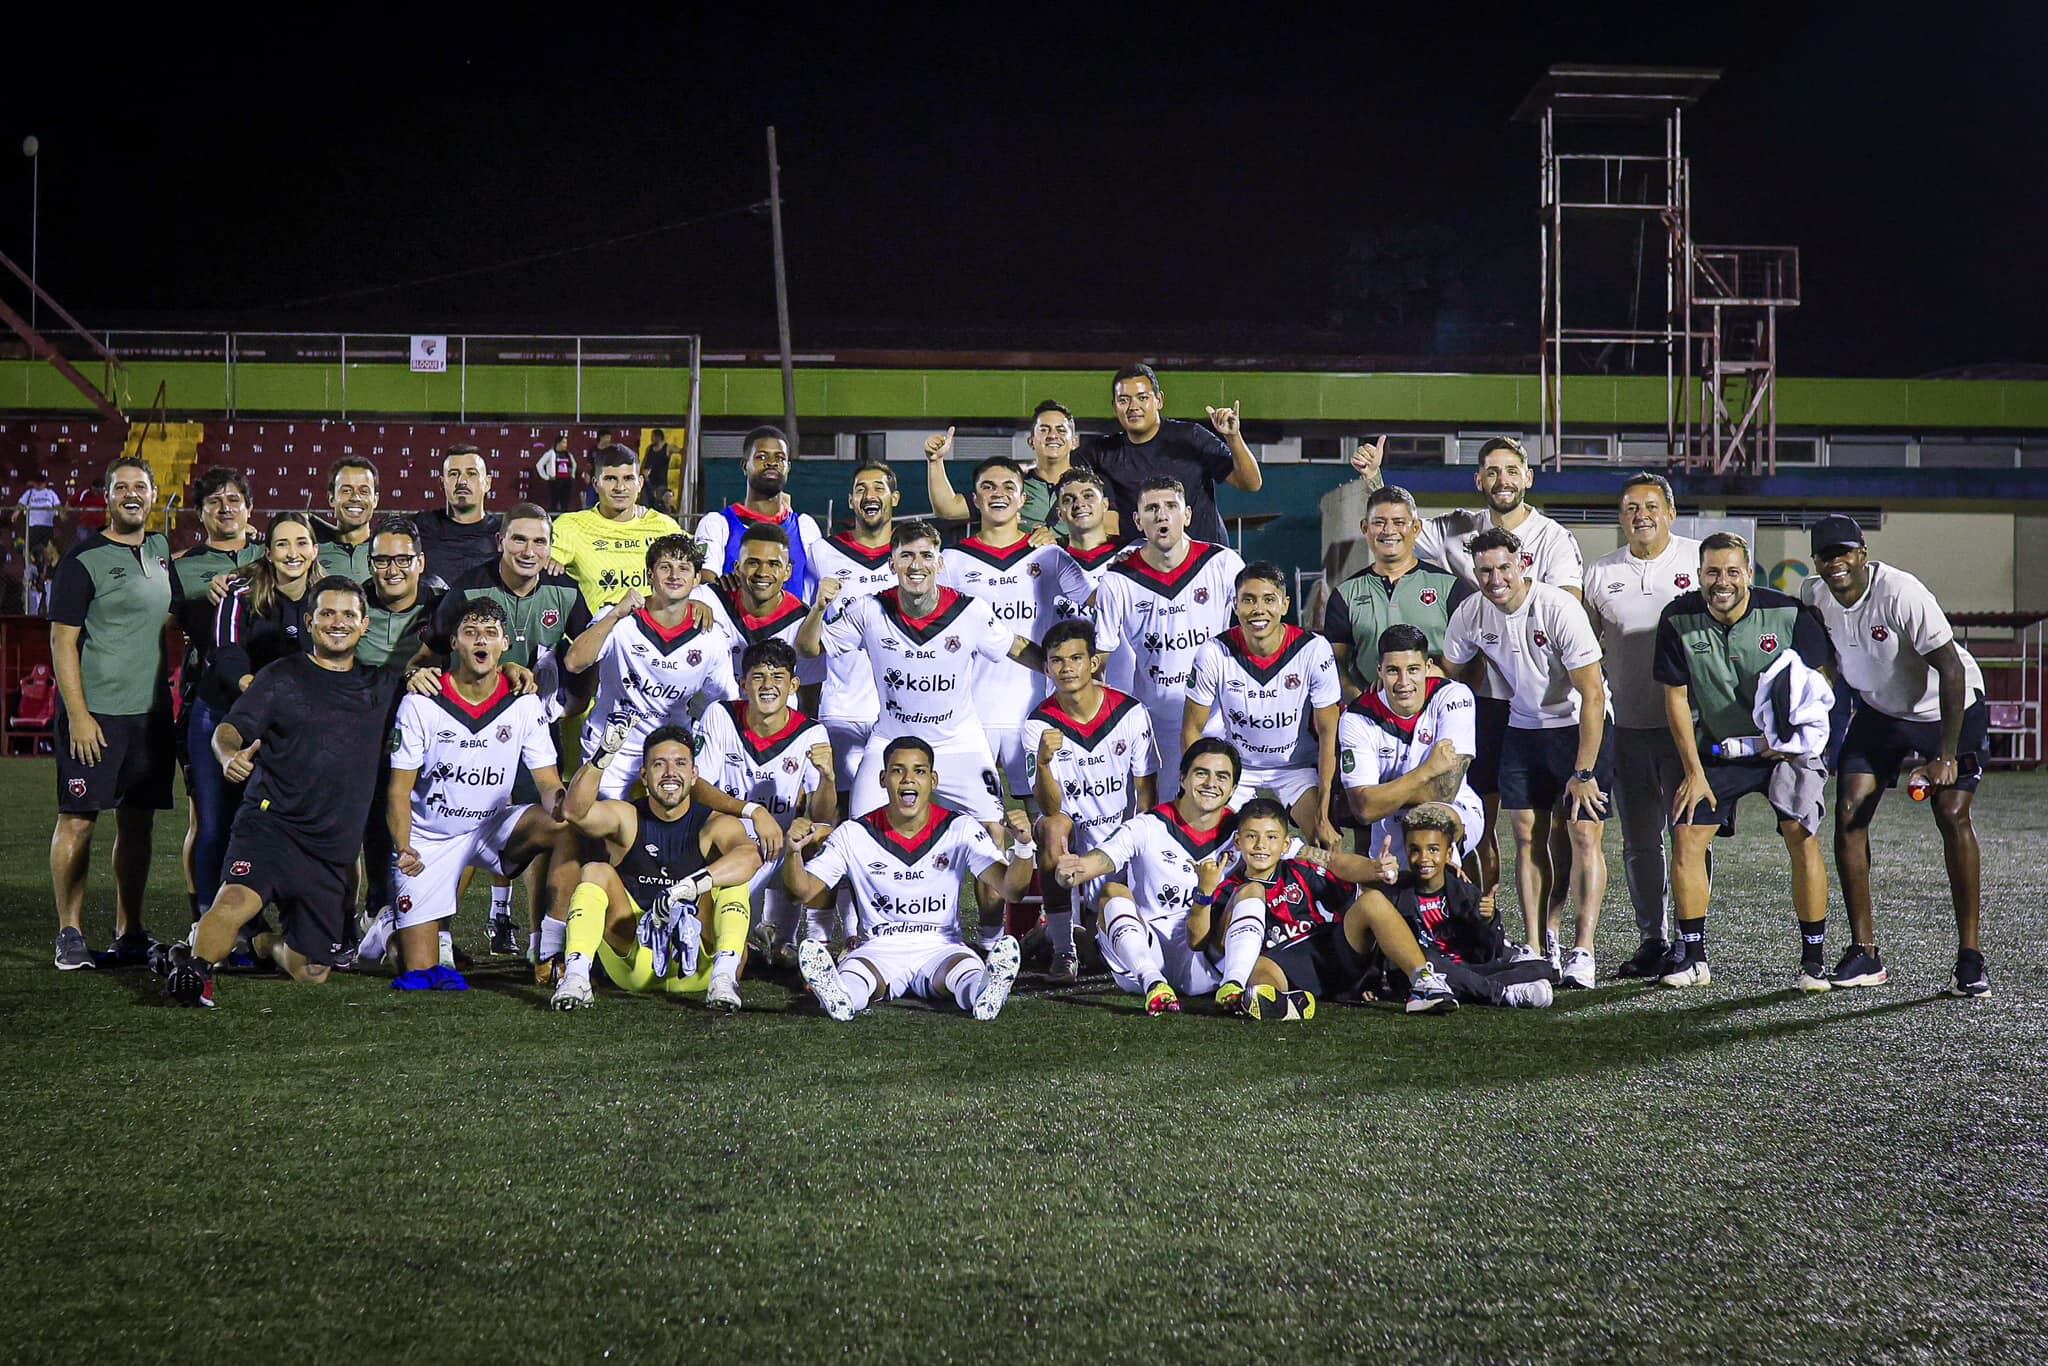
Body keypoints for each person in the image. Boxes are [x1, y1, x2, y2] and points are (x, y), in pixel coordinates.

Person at [162, 577, 406, 1006]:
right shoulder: (281, 677)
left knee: (313, 971)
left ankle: (262, 944)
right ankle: (193, 970)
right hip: (271, 828)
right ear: (309, 622)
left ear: (364, 625)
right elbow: (228, 730)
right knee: (235, 899)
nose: (338, 623)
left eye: (349, 614)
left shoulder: (382, 686)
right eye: (327, 614)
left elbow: (449, 688)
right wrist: (227, 755)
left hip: (329, 851)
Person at [1803, 515, 1989, 995]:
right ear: (1816, 562)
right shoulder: (1814, 595)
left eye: (1844, 552)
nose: (1835, 562)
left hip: (1947, 708)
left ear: (1863, 552)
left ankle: (1970, 958)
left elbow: (1950, 668)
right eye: (1825, 555)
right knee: (1849, 814)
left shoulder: (1901, 592)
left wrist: (1945, 756)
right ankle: (1865, 954)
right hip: (1880, 712)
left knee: (1951, 813)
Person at [365, 597, 582, 989]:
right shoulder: (421, 702)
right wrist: (403, 846)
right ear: (455, 644)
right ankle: (389, 928)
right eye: (471, 633)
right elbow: (399, 790)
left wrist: (561, 804)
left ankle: (550, 945)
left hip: (492, 827)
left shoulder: (523, 702)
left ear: (504, 645)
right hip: (432, 838)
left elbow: (548, 782)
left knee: (566, 829)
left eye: (490, 634)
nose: (481, 641)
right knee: (417, 970)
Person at [1410, 436, 1586, 908]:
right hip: (1485, 701)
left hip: (1547, 702)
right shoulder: (1459, 530)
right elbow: (1400, 527)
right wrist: (1374, 478)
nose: (1502, 480)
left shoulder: (1553, 538)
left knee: (1551, 824)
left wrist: (1514, 641)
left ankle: (1550, 924)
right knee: (1477, 814)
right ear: (1478, 479)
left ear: (1528, 477)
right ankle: (1484, 915)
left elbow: (1569, 605)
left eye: (1511, 470)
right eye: (1492, 471)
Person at [1655, 532, 1835, 991]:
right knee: (1688, 836)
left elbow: (1819, 684)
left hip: (1784, 749)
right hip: (1718, 749)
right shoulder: (1677, 617)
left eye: (1732, 571)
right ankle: (1693, 957)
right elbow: (1675, 699)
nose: (1722, 581)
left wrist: (1790, 738)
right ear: (1698, 576)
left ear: (1748, 574)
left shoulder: (1789, 613)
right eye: (1713, 572)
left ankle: (1813, 961)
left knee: (1802, 833)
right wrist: (1694, 772)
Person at [796, 520, 1043, 838]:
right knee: (859, 832)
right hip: (890, 741)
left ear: (939, 563)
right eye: (907, 555)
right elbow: (808, 649)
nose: (917, 565)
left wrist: (1062, 674)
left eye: (926, 556)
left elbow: (1017, 647)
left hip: (959, 741)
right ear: (892, 563)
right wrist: (818, 609)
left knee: (994, 833)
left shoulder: (969, 611)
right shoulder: (869, 610)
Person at [1442, 528, 1611, 988]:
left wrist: (1584, 771)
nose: (1495, 579)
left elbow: (1593, 694)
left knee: (1581, 833)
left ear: (1524, 563)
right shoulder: (1472, 612)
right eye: (1484, 571)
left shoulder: (1558, 609)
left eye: (1502, 568)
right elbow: (1447, 676)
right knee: (1524, 835)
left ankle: (1583, 951)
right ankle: (1538, 946)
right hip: (1523, 724)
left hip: (1579, 725)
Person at [429, 504, 594, 963]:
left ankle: (545, 943)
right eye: (518, 540)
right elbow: (435, 652)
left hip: (534, 732)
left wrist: (576, 700)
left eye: (539, 541)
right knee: (461, 827)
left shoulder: (564, 589)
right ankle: (438, 934)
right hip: (471, 730)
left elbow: (584, 653)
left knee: (549, 827)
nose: (529, 550)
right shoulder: (469, 587)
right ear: (500, 541)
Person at [783, 736, 1032, 1022]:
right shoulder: (854, 833)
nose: (908, 779)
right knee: (856, 976)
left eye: (919, 771)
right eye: (898, 770)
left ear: (933, 780)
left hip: (940, 947)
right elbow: (802, 891)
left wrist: (1024, 847)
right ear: (882, 779)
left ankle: (985, 992)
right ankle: (840, 995)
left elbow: (1012, 890)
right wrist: (792, 853)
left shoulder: (960, 828)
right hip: (877, 948)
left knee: (966, 972)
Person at [48, 456, 179, 971]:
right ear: (107, 497)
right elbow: (62, 641)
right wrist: (78, 715)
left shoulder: (161, 550)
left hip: (149, 716)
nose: (131, 494)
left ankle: (129, 931)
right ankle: (70, 932)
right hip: (96, 716)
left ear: (152, 496)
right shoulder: (83, 561)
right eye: (121, 486)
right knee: (78, 821)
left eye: (140, 487)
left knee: (138, 824)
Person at [549, 724, 764, 1012]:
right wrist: (603, 756)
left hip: (701, 965)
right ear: (644, 776)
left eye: (680, 763)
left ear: (694, 775)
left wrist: (692, 886)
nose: (670, 772)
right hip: (635, 959)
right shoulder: (627, 817)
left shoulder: (714, 823)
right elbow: (574, 812)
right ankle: (576, 978)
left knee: (733, 881)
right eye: (659, 764)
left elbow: (750, 857)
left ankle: (724, 978)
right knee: (595, 871)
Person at [1583, 473, 1703, 978]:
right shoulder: (1599, 572)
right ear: (1620, 516)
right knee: (1637, 840)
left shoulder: (1699, 560)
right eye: (1631, 507)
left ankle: (1690, 938)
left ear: (1671, 513)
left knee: (1689, 836)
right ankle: (1652, 937)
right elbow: (1584, 650)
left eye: (1651, 506)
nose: (1641, 515)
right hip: (1627, 726)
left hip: (1687, 730)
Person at [191, 512, 321, 933]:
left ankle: (276, 920)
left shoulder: (325, 597)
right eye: (283, 544)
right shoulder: (240, 592)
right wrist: (258, 688)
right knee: (216, 823)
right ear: (268, 552)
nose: (293, 553)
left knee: (277, 824)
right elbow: (225, 652)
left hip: (283, 729)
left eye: (301, 543)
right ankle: (210, 920)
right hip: (224, 715)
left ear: (315, 550)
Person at [938, 455, 1092, 806]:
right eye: (988, 487)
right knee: (971, 823)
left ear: (1023, 500)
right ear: (975, 499)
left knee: (1047, 822)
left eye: (1010, 487)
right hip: (970, 716)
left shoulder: (1049, 557)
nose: (999, 494)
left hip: (1037, 711)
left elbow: (1099, 602)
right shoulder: (953, 562)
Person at [1053, 737, 1244, 1016]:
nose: (1210, 783)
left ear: (1233, 789)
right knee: (1113, 893)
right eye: (1201, 773)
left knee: (1251, 894)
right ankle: (1153, 984)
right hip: (1144, 953)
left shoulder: (1244, 831)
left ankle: (1234, 985)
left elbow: (1292, 850)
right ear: (1182, 779)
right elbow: (1102, 860)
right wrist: (1072, 872)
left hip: (1206, 959)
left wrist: (1324, 857)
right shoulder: (1148, 826)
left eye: (1222, 777)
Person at [1089, 477, 1246, 797]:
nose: (1162, 515)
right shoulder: (1118, 579)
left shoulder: (1223, 564)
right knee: (1166, 820)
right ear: (1138, 520)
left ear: (1187, 515)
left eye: (1171, 507)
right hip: (1155, 723)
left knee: (1231, 823)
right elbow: (1100, 659)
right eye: (1152, 508)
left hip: (1221, 718)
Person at [1024, 618, 1159, 983]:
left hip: (1121, 836)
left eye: (1075, 658)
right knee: (1050, 828)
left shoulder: (1130, 713)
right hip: (1073, 834)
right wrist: (1043, 762)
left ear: (1094, 662)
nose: (1067, 668)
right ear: (1048, 668)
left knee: (1117, 944)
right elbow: (1051, 808)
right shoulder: (1038, 724)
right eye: (1057, 661)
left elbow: (1147, 795)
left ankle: (1075, 935)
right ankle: (1062, 950)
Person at [563, 534, 738, 799]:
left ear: (696, 579)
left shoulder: (711, 637)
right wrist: (614, 614)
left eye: (684, 568)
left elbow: (723, 701)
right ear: (650, 575)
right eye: (665, 567)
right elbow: (574, 662)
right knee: (596, 825)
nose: (674, 575)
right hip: (612, 747)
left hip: (671, 751)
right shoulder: (620, 619)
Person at [694, 639, 836, 964]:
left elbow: (824, 814)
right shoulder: (722, 714)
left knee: (827, 838)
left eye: (778, 677)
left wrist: (828, 778)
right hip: (732, 843)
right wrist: (753, 810)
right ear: (743, 684)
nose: (768, 686)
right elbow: (698, 786)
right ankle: (759, 936)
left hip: (783, 848)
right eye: (758, 677)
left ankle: (813, 946)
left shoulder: (811, 734)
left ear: (794, 685)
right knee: (722, 946)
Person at [1342, 803, 1556, 1014]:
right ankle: (1502, 994)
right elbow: (1377, 946)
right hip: (1425, 972)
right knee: (1426, 958)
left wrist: (1488, 920)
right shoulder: (1395, 893)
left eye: (1433, 849)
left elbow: (1488, 953)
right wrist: (1370, 981)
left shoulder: (1464, 891)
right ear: (1405, 850)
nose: (1424, 858)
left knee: (1543, 968)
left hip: (1467, 968)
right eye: (1415, 850)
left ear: (1448, 853)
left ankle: (1465, 988)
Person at [1183, 561, 1342, 843]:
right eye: (1248, 600)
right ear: (1234, 605)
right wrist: (1196, 789)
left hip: (1296, 768)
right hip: (1236, 768)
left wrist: (1323, 809)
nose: (1258, 610)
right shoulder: (1213, 652)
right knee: (1202, 838)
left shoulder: (1313, 649)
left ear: (1285, 604)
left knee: (1327, 840)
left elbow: (1329, 732)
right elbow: (1192, 730)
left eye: (1269, 600)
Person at [171, 467, 263, 923]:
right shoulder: (182, 567)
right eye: (214, 502)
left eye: (234, 500)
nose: (226, 508)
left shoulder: (273, 555)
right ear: (200, 513)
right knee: (207, 820)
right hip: (208, 702)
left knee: (261, 817)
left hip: (265, 706)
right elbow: (161, 631)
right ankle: (203, 913)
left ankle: (258, 916)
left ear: (249, 509)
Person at [1201, 797, 1373, 1020]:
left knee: (1372, 902)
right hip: (1279, 966)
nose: (1260, 845)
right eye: (1251, 836)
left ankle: (1415, 978)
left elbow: (1351, 901)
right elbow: (1216, 946)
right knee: (1258, 974)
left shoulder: (1301, 871)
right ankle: (1283, 1005)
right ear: (1237, 841)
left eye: (1271, 837)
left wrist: (1371, 972)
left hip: (1321, 954)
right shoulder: (1228, 890)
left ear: (1285, 845)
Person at [1337, 624, 1485, 871]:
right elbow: (1363, 809)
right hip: (1388, 825)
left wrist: (1382, 796)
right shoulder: (1356, 717)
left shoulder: (1454, 696)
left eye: (1413, 669)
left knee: (1432, 826)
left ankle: (1459, 903)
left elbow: (1445, 790)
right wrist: (1426, 771)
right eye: (1393, 671)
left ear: (1428, 668)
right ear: (1380, 671)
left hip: (1455, 809)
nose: (1404, 682)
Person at [1080, 363, 1262, 545]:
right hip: (1143, 565)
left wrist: (1233, 437)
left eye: (1142, 398)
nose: (1133, 406)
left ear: (1159, 400)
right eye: (1124, 400)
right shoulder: (1102, 453)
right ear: (1114, 406)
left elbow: (1251, 483)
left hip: (1204, 561)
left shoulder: (1192, 437)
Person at [1322, 481, 1470, 696]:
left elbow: (1472, 657)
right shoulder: (1345, 594)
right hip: (1372, 716)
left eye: (1399, 522)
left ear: (1416, 528)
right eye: (1379, 522)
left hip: (1435, 711)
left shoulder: (1450, 587)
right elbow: (1335, 663)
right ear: (1365, 528)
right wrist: (1358, 700)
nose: (1389, 530)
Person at [809, 462, 900, 800]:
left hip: (897, 709)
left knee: (895, 806)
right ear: (850, 500)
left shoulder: (913, 556)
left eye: (879, 487)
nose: (869, 495)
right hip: (841, 706)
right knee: (836, 804)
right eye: (861, 489)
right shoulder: (822, 553)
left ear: (895, 498)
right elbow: (806, 622)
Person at [688, 523, 823, 700]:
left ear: (787, 572)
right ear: (737, 568)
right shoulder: (708, 599)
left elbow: (808, 695)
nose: (762, 572)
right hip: (709, 722)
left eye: (773, 564)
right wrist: (684, 605)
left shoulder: (804, 625)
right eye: (753, 563)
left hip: (775, 726)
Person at [923, 400, 1098, 535]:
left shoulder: (1092, 487)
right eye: (1044, 429)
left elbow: (1109, 530)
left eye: (1061, 430)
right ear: (1031, 441)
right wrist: (935, 461)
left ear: (1074, 442)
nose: (1053, 435)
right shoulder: (1011, 485)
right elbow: (948, 509)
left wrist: (1058, 539)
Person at [691, 426, 823, 598]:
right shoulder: (717, 524)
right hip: (735, 624)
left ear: (788, 468)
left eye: (780, 458)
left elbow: (820, 586)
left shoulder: (805, 528)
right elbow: (705, 582)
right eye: (761, 457)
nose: (772, 463)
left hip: (794, 624)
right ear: (745, 465)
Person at [550, 445, 684, 613]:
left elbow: (697, 567)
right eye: (610, 479)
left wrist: (702, 599)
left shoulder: (664, 527)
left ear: (640, 483)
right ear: (595, 484)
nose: (620, 487)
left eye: (628, 478)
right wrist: (547, 560)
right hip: (597, 634)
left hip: (654, 635)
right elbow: (534, 566)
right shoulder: (571, 526)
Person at [413, 444, 503, 588]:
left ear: (487, 483)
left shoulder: (505, 530)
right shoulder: (419, 527)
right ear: (441, 483)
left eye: (472, 473)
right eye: (454, 474)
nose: (462, 481)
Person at [1050, 468, 1124, 611]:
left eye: (1088, 496)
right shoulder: (1049, 559)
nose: (1079, 504)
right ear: (1060, 514)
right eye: (1068, 499)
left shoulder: (1134, 553)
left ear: (1105, 505)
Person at [314, 458, 379, 581]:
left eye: (364, 491)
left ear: (375, 500)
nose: (355, 497)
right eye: (346, 491)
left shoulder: (388, 552)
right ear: (331, 498)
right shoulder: (310, 553)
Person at [15, 469, 62, 564]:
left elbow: (58, 505)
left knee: (52, 552)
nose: (39, 485)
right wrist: (15, 513)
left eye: (41, 483)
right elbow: (21, 504)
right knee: (26, 548)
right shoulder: (30, 493)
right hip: (33, 526)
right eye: (37, 483)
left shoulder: (50, 493)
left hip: (46, 526)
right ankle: (31, 568)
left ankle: (51, 571)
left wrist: (62, 513)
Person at [538, 435, 578, 515]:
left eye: (566, 443)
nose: (565, 445)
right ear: (558, 443)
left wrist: (572, 475)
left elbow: (574, 464)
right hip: (555, 481)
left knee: (565, 503)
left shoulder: (568, 454)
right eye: (564, 442)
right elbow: (539, 465)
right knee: (554, 503)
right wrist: (546, 477)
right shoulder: (550, 453)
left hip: (566, 481)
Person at [643, 429, 672, 513]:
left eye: (653, 436)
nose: (651, 439)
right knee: (648, 505)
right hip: (649, 481)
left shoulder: (667, 448)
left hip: (661, 483)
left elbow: (680, 450)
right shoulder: (650, 448)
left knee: (659, 505)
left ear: (658, 437)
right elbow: (646, 461)